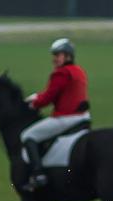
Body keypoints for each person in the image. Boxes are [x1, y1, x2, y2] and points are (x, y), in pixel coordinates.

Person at [20, 38, 90, 192]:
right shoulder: (79, 71)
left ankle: (38, 174)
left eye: (58, 55)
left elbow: (48, 98)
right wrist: (39, 97)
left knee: (27, 136)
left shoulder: (61, 73)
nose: (54, 59)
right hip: (84, 117)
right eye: (54, 55)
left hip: (66, 118)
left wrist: (33, 102)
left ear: (68, 56)